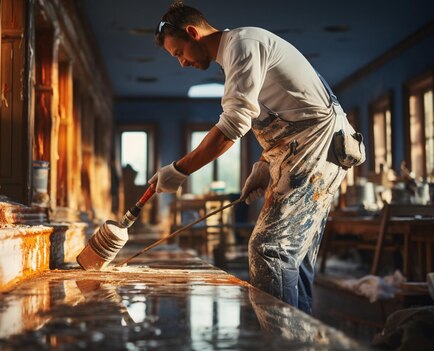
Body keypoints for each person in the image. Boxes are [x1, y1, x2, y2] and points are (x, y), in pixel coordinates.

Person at [149, 1, 363, 314]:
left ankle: (280, 342)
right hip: (305, 146)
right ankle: (298, 339)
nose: (181, 63)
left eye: (178, 53)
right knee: (293, 253)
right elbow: (284, 116)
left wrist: (179, 170)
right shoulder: (237, 52)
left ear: (192, 33)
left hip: (317, 144)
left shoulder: (243, 45)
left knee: (269, 250)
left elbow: (233, 125)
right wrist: (264, 165)